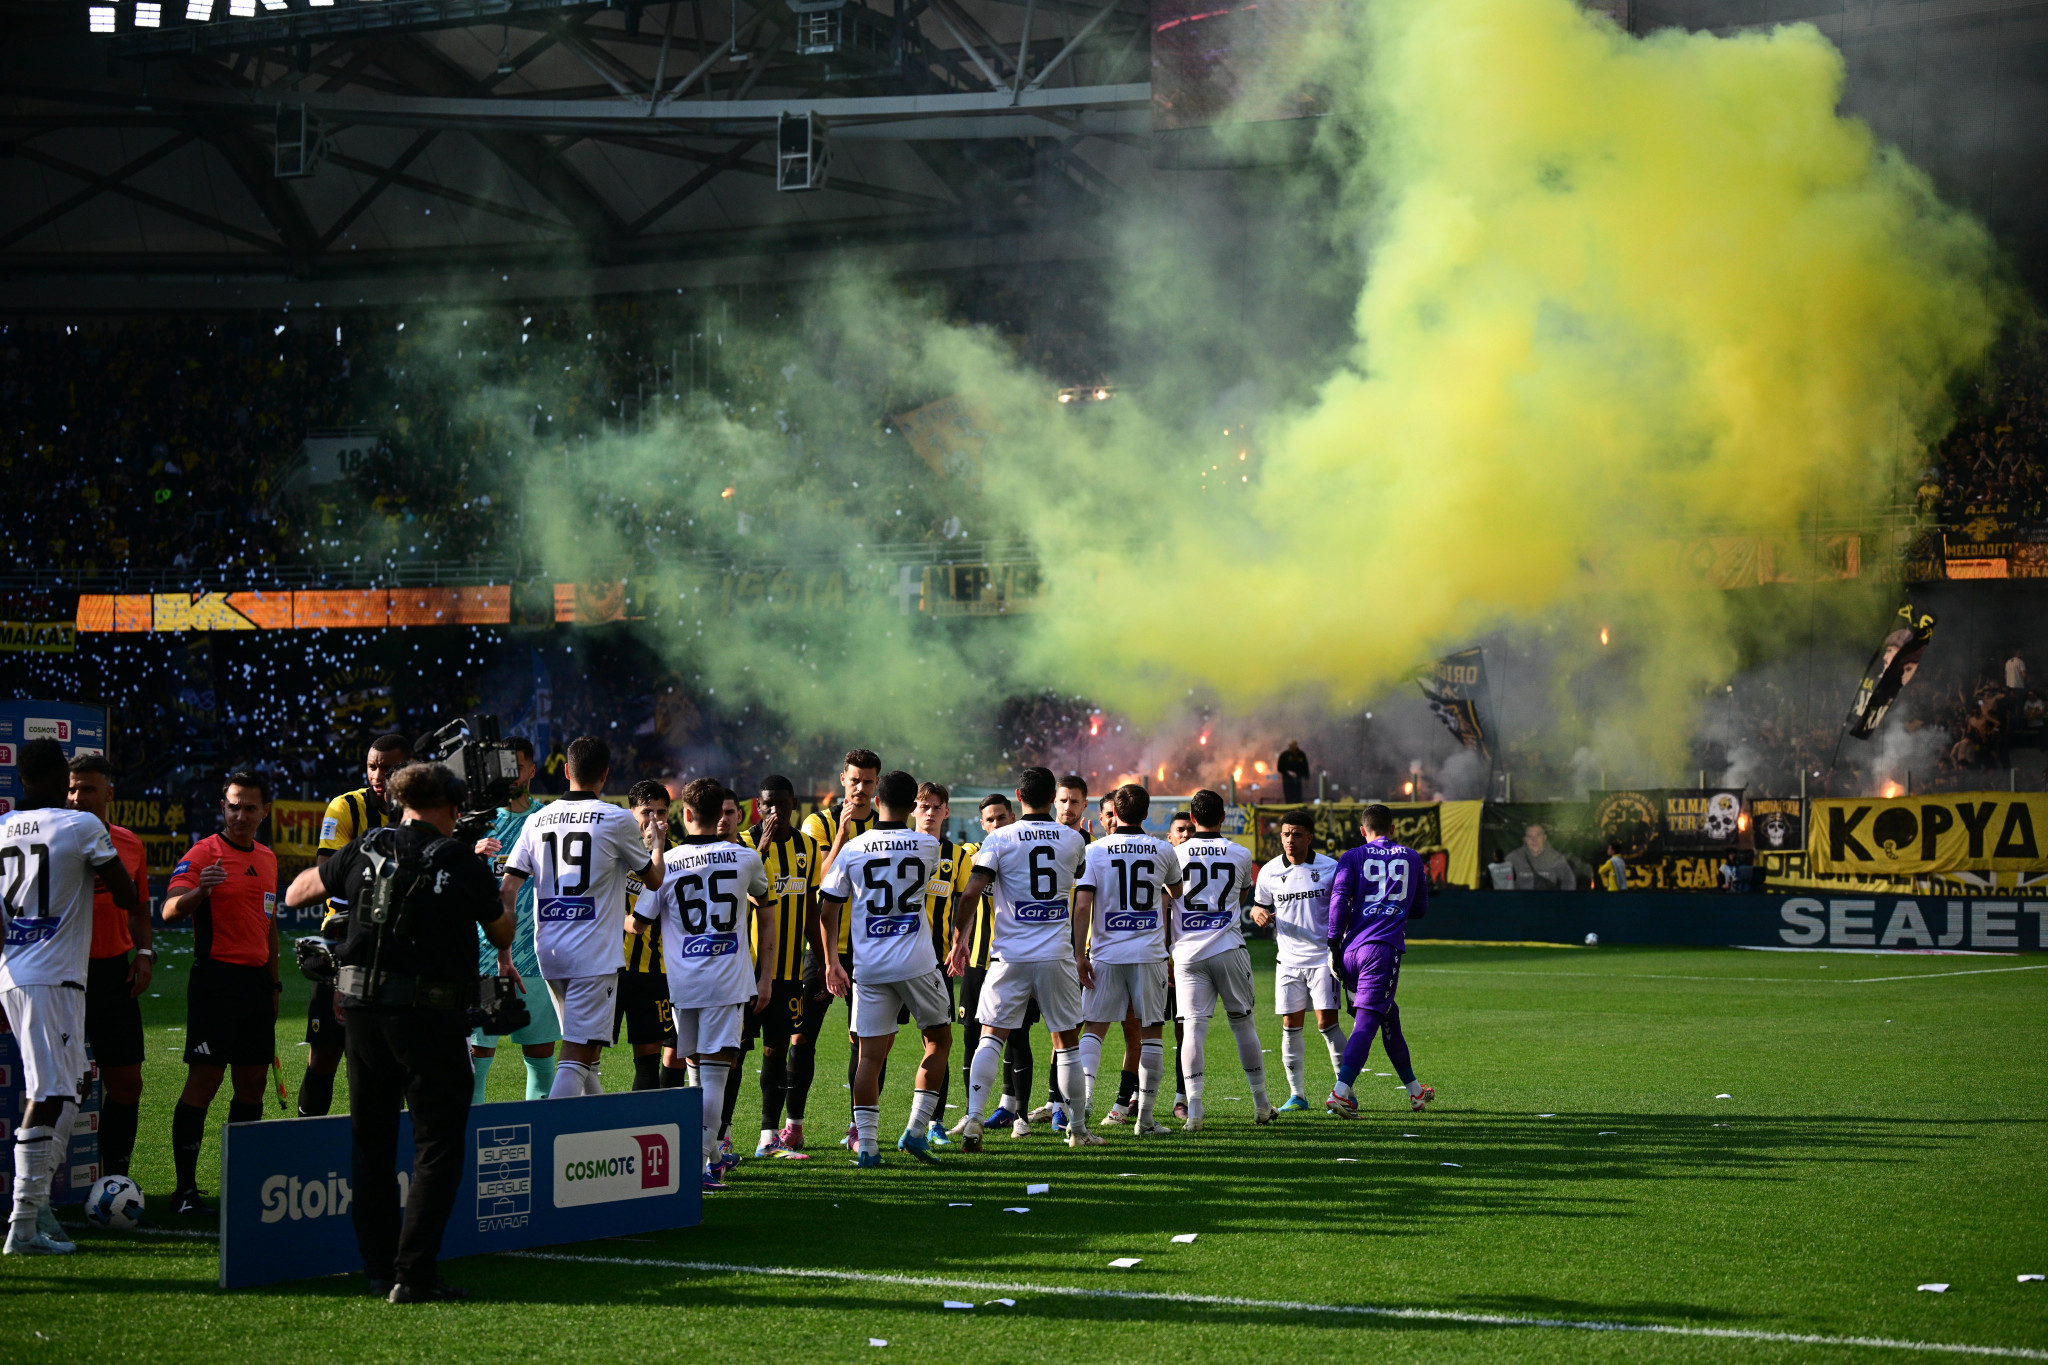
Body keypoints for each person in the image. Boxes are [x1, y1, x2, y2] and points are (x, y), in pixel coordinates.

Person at [288, 761, 513, 1303]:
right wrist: (496, 887)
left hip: (362, 1013)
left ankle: (376, 1270)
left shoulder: (366, 847)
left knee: (371, 1142)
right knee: (436, 1146)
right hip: (430, 1017)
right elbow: (501, 927)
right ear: (452, 806)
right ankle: (413, 1275)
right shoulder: (459, 859)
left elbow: (297, 893)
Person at [1, 738, 137, 1255]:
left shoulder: (2, 829)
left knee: (69, 1084)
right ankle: (24, 1223)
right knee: (51, 1093)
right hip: (52, 976)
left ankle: (34, 1216)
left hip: (18, 971)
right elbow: (125, 895)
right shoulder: (82, 827)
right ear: (61, 779)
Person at [500, 736, 665, 1099]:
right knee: (576, 1054)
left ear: (565, 771)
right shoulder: (617, 818)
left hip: (549, 954)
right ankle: (552, 1142)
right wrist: (656, 845)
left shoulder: (537, 820)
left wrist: (504, 954)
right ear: (605, 775)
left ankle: (599, 1133)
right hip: (592, 956)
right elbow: (654, 880)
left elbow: (508, 889)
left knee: (585, 1051)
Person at [632, 777, 771, 1192]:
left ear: (686, 815)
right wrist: (765, 975)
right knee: (712, 1075)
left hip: (683, 984)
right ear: (721, 815)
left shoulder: (667, 862)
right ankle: (697, 1169)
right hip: (727, 983)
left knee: (695, 1069)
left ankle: (709, 1156)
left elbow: (637, 925)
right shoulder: (746, 858)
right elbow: (766, 906)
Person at [948, 768, 1095, 1152]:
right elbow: (1078, 877)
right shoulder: (1074, 838)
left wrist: (959, 939)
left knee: (990, 1038)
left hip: (1008, 955)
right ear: (1053, 797)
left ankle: (974, 1121)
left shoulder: (998, 838)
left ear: (1018, 797)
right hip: (1056, 956)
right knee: (1066, 1044)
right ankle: (1077, 1130)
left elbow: (969, 895)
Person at [819, 770, 952, 1166]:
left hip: (870, 967)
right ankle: (915, 1131)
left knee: (869, 1058)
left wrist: (831, 962)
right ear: (913, 805)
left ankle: (869, 1148)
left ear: (877, 801)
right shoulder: (929, 848)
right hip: (917, 963)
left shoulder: (854, 849)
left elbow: (827, 910)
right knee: (938, 1041)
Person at [161, 771, 279, 1217]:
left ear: (264, 811)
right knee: (204, 1083)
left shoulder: (267, 858)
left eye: (250, 807)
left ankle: (239, 1185)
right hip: (215, 983)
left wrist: (274, 984)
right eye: (233, 805)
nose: (240, 815)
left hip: (255, 988)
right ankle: (184, 1191)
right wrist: (200, 892)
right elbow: (170, 910)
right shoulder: (203, 853)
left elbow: (269, 929)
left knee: (252, 1085)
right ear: (222, 806)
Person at [303, 733, 412, 1117]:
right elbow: (325, 877)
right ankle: (310, 1144)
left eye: (388, 767)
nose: (378, 774)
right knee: (325, 1055)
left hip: (398, 950)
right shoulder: (345, 807)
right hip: (343, 940)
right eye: (372, 766)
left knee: (393, 1059)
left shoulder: (421, 810)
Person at [1072, 783, 1182, 1140]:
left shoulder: (1096, 850)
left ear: (1114, 814)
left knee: (1094, 1028)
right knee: (1151, 1032)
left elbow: (1084, 904)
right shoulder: (1163, 849)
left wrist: (1078, 953)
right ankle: (1145, 1119)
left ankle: (1084, 1103)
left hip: (1105, 953)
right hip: (1148, 954)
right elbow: (1177, 892)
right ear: (1148, 813)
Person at [65, 754, 153, 1180]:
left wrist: (145, 954)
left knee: (127, 1083)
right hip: (63, 975)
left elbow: (139, 908)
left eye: (88, 789)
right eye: (72, 788)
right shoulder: (54, 840)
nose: (78, 797)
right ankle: (43, 1188)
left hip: (113, 974)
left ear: (109, 794)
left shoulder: (130, 843)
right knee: (58, 1089)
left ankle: (114, 1180)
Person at [1170, 789, 1275, 1130]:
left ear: (1193, 818)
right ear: (1223, 817)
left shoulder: (1175, 854)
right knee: (1243, 1025)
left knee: (1193, 1032)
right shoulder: (1241, 854)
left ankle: (1195, 1112)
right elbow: (1241, 895)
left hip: (1186, 953)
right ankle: (1261, 1105)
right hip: (1228, 947)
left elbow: (1168, 898)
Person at [1324, 804, 1434, 1119]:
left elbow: (1339, 900)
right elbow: (1421, 909)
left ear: (1363, 830)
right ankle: (1341, 1092)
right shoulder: (1412, 857)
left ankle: (1415, 1092)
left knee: (1388, 1014)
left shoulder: (1352, 856)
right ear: (1393, 828)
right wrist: (1393, 908)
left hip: (1349, 950)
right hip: (1380, 950)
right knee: (1368, 1020)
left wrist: (1333, 944)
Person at [467, 737, 559, 1103]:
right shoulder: (474, 822)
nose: (509, 776)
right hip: (484, 959)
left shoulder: (547, 820)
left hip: (535, 959)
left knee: (540, 1058)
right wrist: (469, 852)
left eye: (516, 767)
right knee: (476, 1060)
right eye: (501, 768)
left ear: (532, 770)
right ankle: (470, 1148)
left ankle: (540, 1147)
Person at [741, 776, 822, 1158]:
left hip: (789, 972)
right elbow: (735, 895)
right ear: (758, 805)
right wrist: (763, 846)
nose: (774, 812)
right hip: (745, 970)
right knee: (735, 1053)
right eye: (767, 805)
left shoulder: (808, 847)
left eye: (781, 805)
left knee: (776, 1050)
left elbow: (810, 908)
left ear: (794, 805)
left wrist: (822, 959)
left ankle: (767, 1136)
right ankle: (720, 1137)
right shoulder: (742, 844)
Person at [801, 750, 880, 1118]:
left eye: (867, 781)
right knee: (802, 1037)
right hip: (822, 948)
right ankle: (791, 1125)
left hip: (868, 953)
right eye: (854, 780)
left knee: (862, 1041)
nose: (860, 788)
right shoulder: (817, 823)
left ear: (877, 784)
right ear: (842, 779)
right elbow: (820, 880)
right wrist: (842, 837)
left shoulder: (887, 827)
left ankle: (856, 1127)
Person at [1251, 807, 1345, 1112]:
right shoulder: (1269, 872)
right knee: (1290, 1024)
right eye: (1285, 834)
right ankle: (1297, 1095)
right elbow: (1257, 906)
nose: (1289, 840)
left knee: (1326, 1023)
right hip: (1288, 960)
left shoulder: (1330, 869)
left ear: (1310, 837)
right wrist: (1258, 913)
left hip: (1323, 958)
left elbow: (1346, 909)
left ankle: (1344, 1091)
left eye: (1296, 834)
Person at [944, 793, 1008, 1138]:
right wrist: (960, 942)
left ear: (1012, 817)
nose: (996, 823)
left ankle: (1015, 1110)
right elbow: (963, 901)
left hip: (1012, 958)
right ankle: (972, 1113)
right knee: (970, 1036)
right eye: (990, 819)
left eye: (1001, 817)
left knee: (1015, 1036)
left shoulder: (1017, 853)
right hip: (978, 961)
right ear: (982, 824)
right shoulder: (971, 855)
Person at [911, 781, 969, 1147]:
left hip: (936, 963)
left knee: (938, 1041)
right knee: (877, 1043)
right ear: (913, 809)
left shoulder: (959, 856)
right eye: (923, 805)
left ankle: (933, 1122)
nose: (930, 812)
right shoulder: (899, 848)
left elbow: (966, 903)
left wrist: (959, 942)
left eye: (937, 806)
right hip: (895, 960)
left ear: (947, 811)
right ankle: (861, 1125)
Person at [618, 781, 681, 1093]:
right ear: (631, 813)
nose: (655, 820)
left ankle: (648, 1130)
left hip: (655, 973)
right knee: (587, 1056)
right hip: (611, 968)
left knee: (649, 1057)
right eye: (647, 812)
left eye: (661, 812)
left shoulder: (675, 857)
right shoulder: (614, 850)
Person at [1162, 808, 1194, 1117]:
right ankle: (1134, 1098)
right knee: (1147, 1031)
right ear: (1169, 837)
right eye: (1180, 831)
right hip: (1158, 962)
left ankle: (1180, 1098)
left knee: (1184, 1031)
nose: (1185, 835)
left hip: (1188, 963)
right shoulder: (1159, 865)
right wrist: (1163, 954)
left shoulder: (1202, 868)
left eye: (1190, 830)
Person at [1505, 824, 1576, 891]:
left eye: (1538, 835)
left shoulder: (1556, 858)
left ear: (1544, 838)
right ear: (1525, 839)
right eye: (1530, 836)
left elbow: (1569, 881)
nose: (1534, 840)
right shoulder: (1513, 858)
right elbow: (1503, 880)